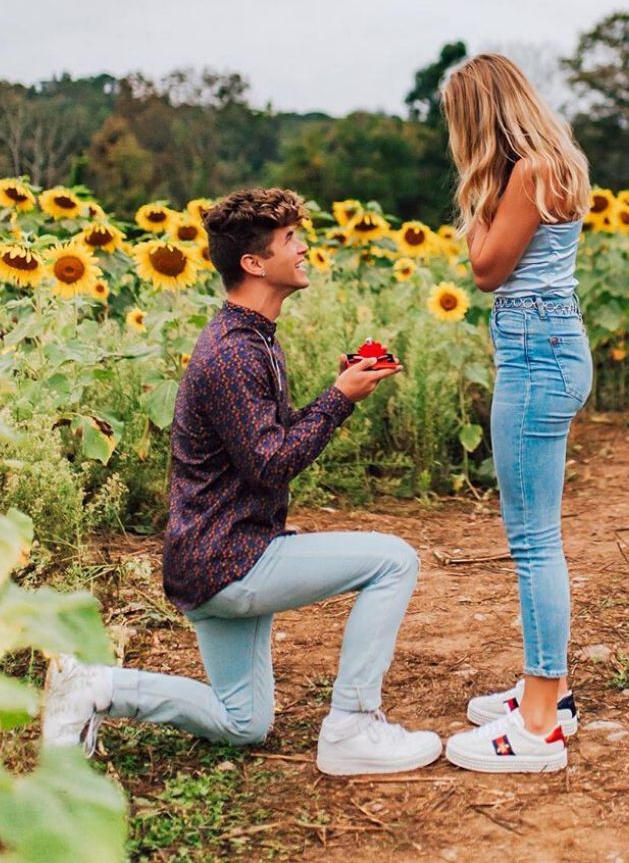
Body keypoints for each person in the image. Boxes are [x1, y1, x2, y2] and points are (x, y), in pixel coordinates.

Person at [43, 187, 441, 776]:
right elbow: (271, 463)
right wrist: (337, 400)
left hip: (214, 557)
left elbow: (262, 447)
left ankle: (95, 687)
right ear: (254, 263)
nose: (303, 249)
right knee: (394, 560)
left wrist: (344, 392)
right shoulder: (235, 352)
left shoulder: (251, 338)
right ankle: (355, 726)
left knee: (242, 723)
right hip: (232, 560)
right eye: (289, 241)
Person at [442, 54, 593, 774]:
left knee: (533, 542)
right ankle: (549, 691)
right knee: (537, 535)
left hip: (534, 353)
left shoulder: (525, 172)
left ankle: (536, 725)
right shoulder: (554, 162)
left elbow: (483, 269)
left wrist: (475, 194)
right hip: (549, 342)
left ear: (479, 118)